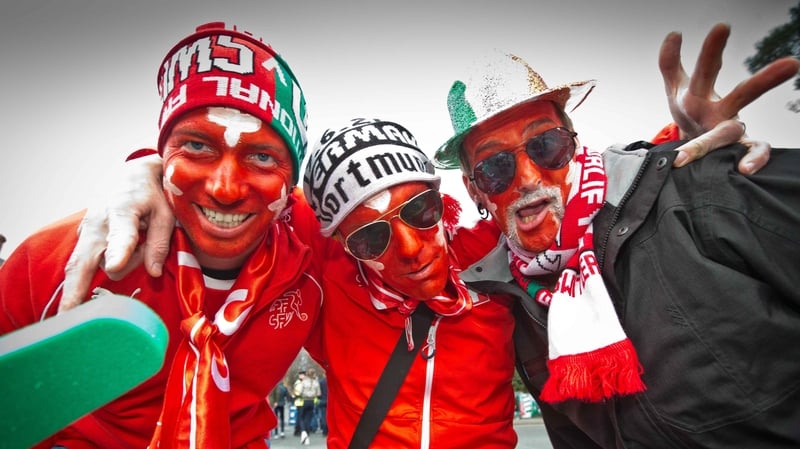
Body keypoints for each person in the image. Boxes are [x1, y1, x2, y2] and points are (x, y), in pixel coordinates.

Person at [46, 23, 798, 448]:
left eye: (419, 214)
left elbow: (614, 199)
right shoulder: (329, 281)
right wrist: (155, 171)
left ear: (451, 201)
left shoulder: (498, 266)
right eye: (370, 238)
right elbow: (245, 203)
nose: (406, 245)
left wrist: (681, 149)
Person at [431, 23, 800, 448]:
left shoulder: (694, 188)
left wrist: (719, 165)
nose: (530, 178)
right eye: (495, 167)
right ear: (475, 189)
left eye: (545, 145)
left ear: (573, 145)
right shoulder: (514, 299)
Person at [0, 22, 323, 449]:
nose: (224, 189)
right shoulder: (53, 261)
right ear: (163, 153)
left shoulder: (319, 244)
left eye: (262, 156)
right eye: (196, 146)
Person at [292, 369, 320, 445]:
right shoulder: (316, 383)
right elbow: (318, 393)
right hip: (312, 401)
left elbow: (299, 392)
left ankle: (303, 431)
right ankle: (307, 434)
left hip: (304, 400)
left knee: (301, 417)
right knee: (308, 418)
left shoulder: (304, 382)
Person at [316, 372, 328, 436]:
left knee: (323, 416)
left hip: (323, 400)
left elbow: (318, 393)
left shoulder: (321, 382)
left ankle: (324, 430)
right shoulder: (331, 381)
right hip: (330, 401)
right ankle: (329, 429)